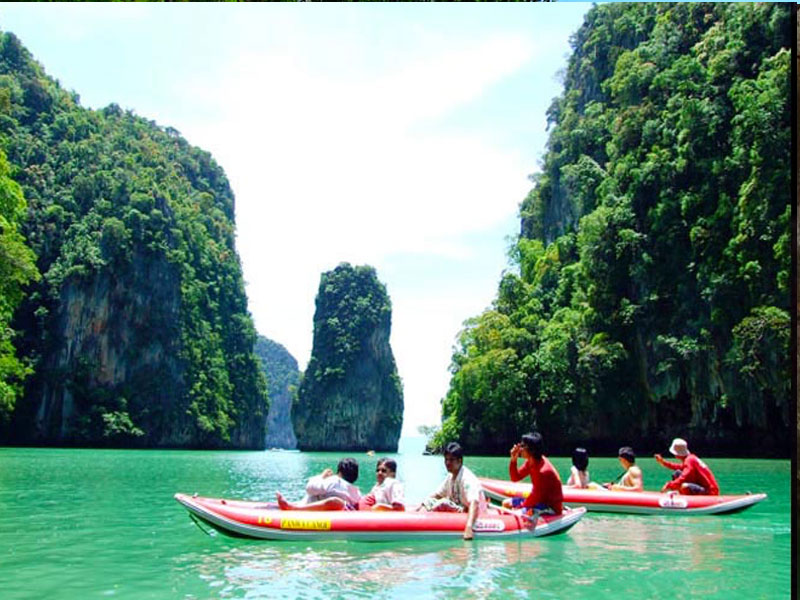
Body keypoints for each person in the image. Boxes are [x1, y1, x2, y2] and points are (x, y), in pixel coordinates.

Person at [417, 441, 486, 540]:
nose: (447, 463)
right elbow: (437, 494)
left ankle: (419, 521)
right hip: (460, 508)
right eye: (446, 460)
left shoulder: (467, 479)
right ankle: (416, 516)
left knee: (444, 503)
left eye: (451, 460)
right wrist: (422, 504)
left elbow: (474, 503)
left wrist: (469, 527)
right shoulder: (451, 476)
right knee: (429, 500)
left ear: (460, 461)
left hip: (473, 512)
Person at [503, 432, 563, 522]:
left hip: (549, 507)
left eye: (523, 446)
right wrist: (513, 460)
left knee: (518, 513)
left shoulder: (544, 471)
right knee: (506, 503)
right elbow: (515, 478)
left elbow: (536, 497)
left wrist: (520, 508)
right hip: (537, 501)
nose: (520, 449)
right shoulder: (530, 462)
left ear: (532, 450)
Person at [276, 457, 361, 511]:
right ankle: (292, 505)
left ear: (339, 473)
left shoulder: (335, 481)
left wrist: (321, 476)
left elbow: (310, 489)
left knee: (315, 495)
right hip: (336, 514)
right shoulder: (357, 493)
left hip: (315, 511)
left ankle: (293, 508)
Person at [655, 437, 719, 495]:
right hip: (704, 487)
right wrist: (663, 462)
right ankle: (680, 492)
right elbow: (679, 467)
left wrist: (669, 485)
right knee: (677, 473)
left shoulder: (689, 460)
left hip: (710, 491)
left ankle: (683, 496)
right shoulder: (690, 458)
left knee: (684, 485)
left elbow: (684, 476)